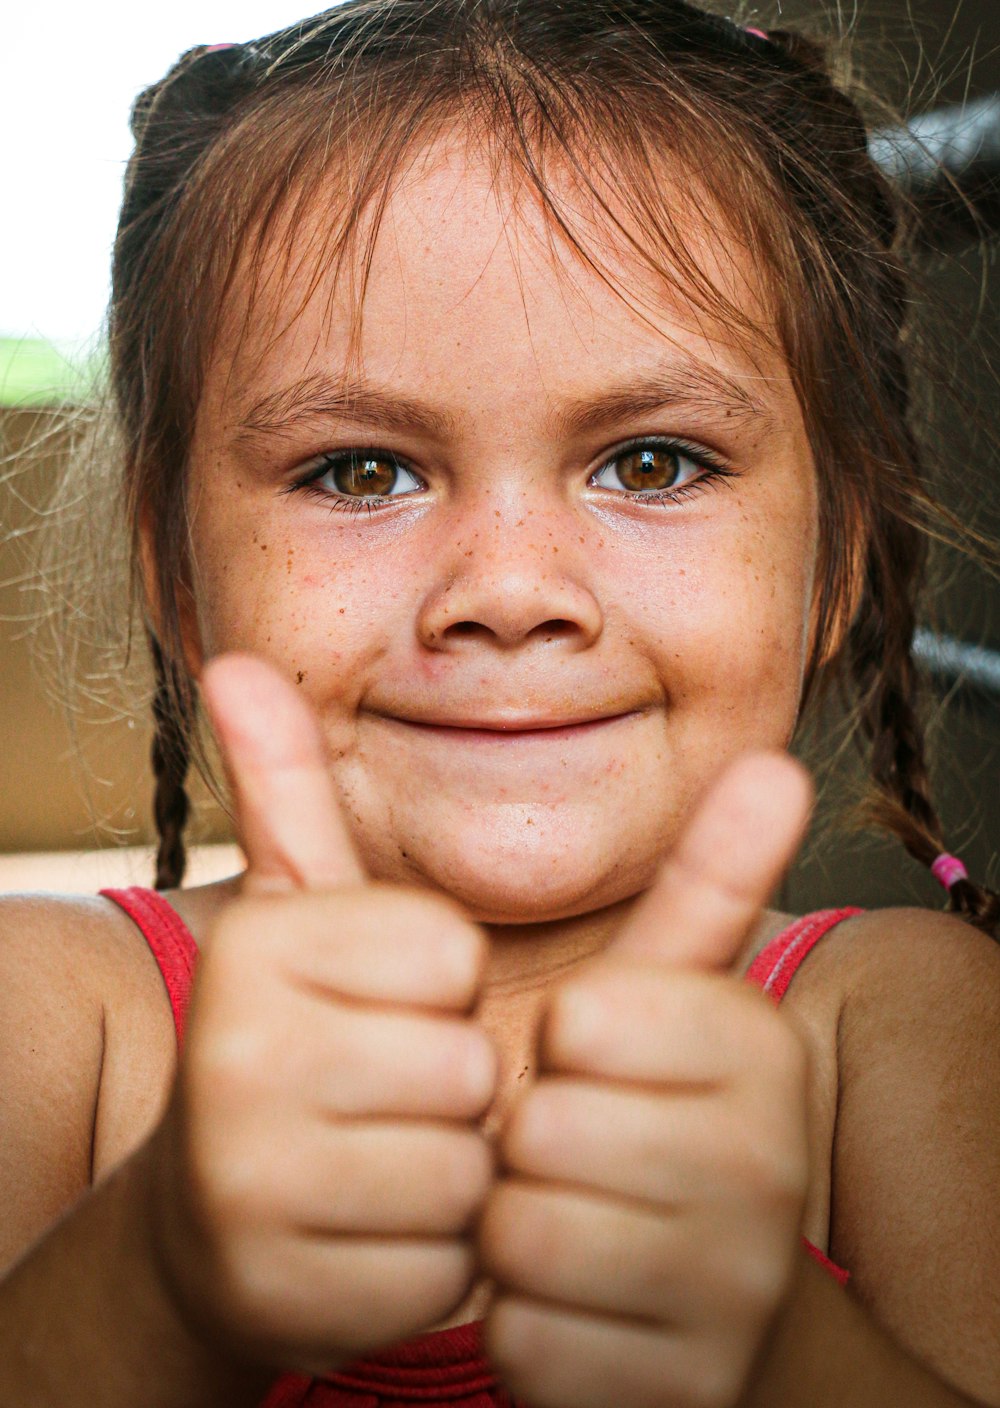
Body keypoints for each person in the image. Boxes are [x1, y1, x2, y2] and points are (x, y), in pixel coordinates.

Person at [1, 2, 998, 1405]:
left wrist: (774, 1344)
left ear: (836, 553)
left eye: (653, 462)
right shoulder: (47, 1017)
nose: (513, 587)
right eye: (360, 472)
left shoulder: (906, 1028)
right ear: (175, 572)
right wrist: (156, 1278)